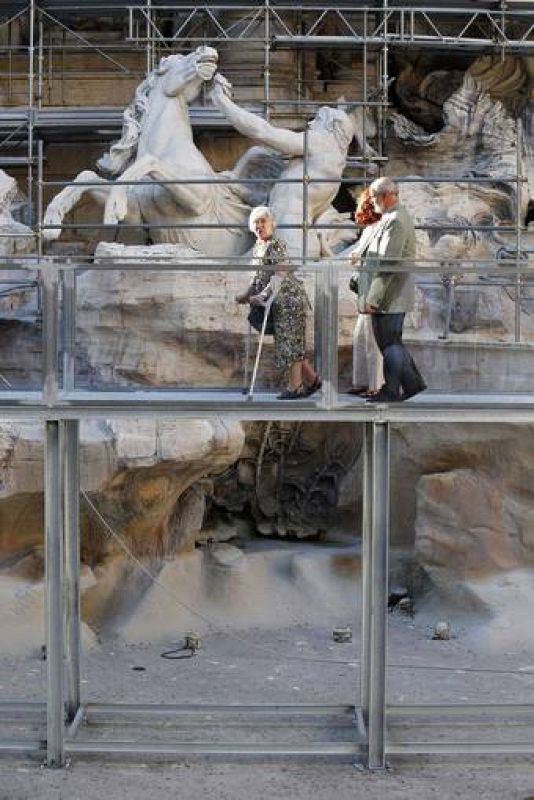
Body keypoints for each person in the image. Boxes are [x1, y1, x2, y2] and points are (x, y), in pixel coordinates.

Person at [352, 176, 426, 402]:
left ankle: (391, 390)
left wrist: (373, 298)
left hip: (390, 295)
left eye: (374, 197)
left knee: (389, 344)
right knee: (392, 342)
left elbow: (388, 264)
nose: (372, 202)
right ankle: (413, 385)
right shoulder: (392, 218)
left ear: (385, 196)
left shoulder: (395, 220)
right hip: (391, 294)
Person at [236, 206, 322, 400]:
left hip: (288, 299)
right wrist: (246, 295)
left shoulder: (275, 244)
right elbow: (259, 277)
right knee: (292, 342)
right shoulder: (259, 246)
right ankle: (314, 380)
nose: (259, 225)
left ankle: (295, 387)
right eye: (256, 222)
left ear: (272, 224)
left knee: (290, 344)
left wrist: (263, 295)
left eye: (263, 221)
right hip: (279, 300)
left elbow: (280, 272)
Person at [347, 187, 384, 397]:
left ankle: (376, 385)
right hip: (364, 288)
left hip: (373, 291)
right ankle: (362, 381)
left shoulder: (379, 228)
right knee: (361, 337)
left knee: (372, 340)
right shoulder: (370, 229)